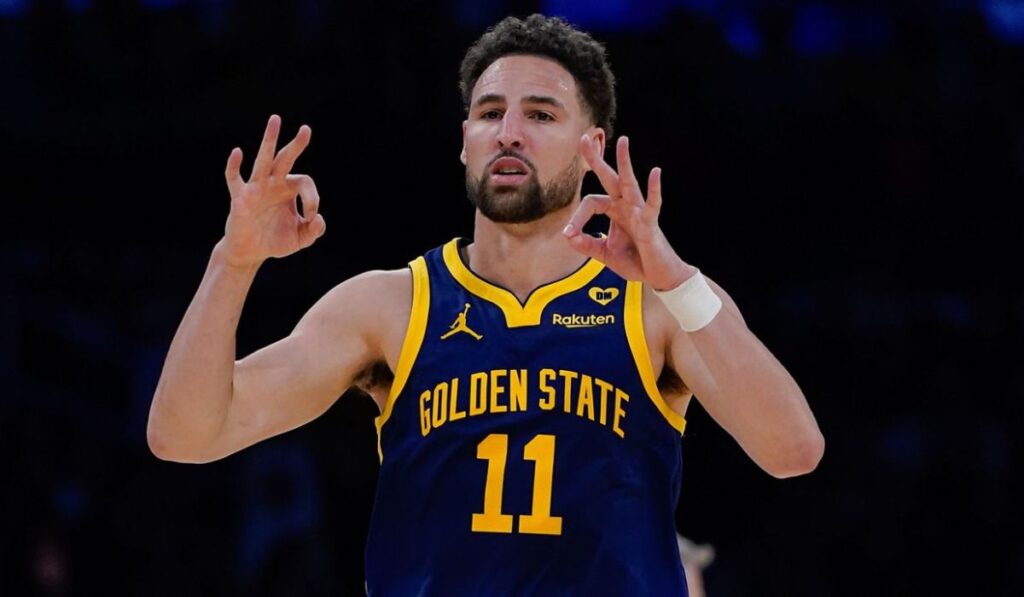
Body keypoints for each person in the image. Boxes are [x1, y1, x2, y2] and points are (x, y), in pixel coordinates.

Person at [147, 14, 824, 596]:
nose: (509, 132)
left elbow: (793, 449)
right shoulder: (391, 305)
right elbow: (185, 435)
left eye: (540, 114)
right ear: (463, 139)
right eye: (490, 112)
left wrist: (677, 278)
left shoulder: (656, 304)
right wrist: (231, 264)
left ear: (592, 147)